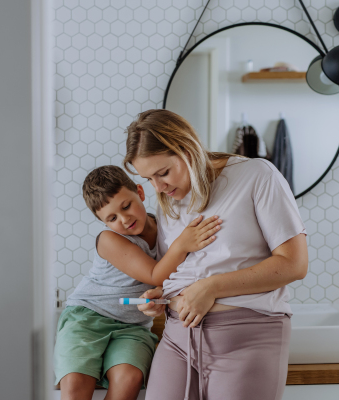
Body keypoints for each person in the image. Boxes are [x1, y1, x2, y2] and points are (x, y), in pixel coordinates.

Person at [123, 109, 309, 400]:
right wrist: (159, 295)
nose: (158, 187)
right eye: (149, 178)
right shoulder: (167, 200)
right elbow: (181, 270)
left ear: (187, 150)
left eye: (163, 173)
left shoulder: (256, 175)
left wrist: (211, 288)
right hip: (177, 339)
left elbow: (294, 264)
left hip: (246, 338)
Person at [54, 165, 222, 400]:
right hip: (87, 318)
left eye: (127, 206)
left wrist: (160, 295)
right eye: (112, 218)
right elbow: (155, 274)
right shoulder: (109, 239)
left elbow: (168, 279)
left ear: (141, 193)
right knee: (75, 384)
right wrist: (183, 244)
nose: (124, 219)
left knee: (129, 379)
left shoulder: (166, 228)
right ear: (102, 222)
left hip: (133, 327)